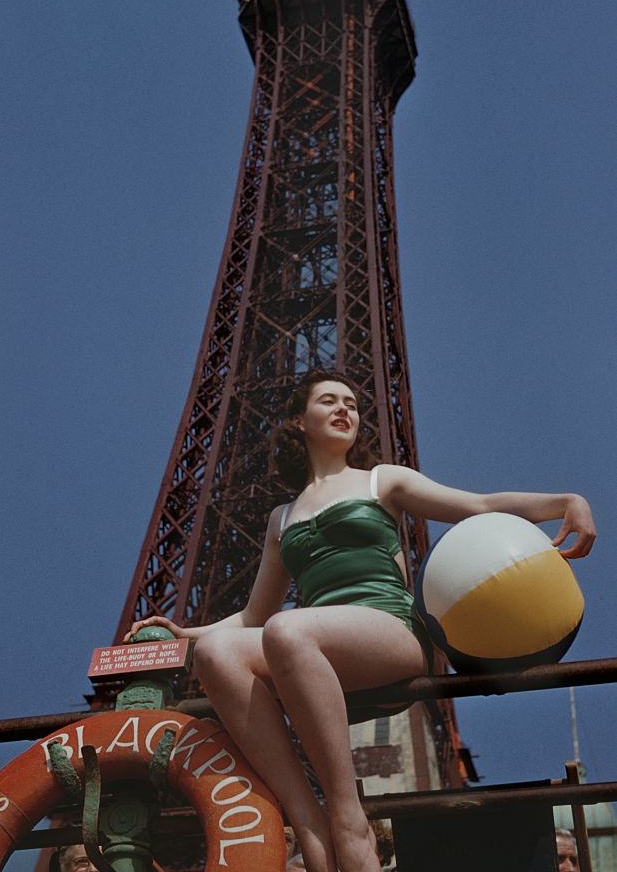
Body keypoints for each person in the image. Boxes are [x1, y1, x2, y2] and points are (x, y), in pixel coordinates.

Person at [126, 369, 597, 872]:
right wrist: (185, 635)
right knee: (218, 654)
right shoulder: (281, 519)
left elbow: (476, 507)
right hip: (316, 656)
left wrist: (566, 502)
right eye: (329, 401)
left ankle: (348, 818)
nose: (344, 410)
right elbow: (251, 617)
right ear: (298, 421)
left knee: (290, 628)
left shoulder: (382, 480)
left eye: (351, 403)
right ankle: (308, 821)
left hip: (389, 632)